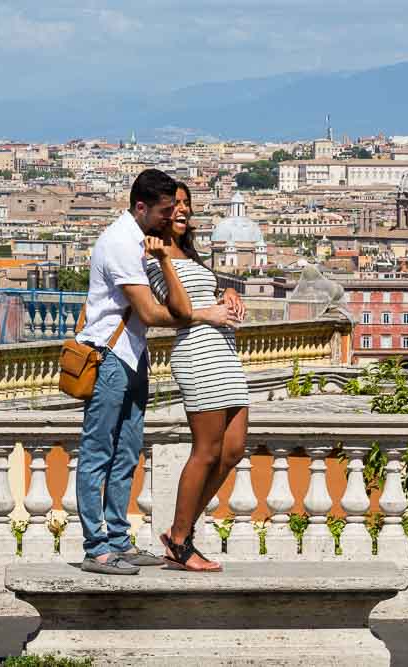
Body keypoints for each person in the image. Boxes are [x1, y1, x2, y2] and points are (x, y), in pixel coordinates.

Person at [76, 169, 235, 575]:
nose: (171, 217)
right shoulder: (119, 244)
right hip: (108, 357)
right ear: (141, 207)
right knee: (98, 452)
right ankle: (96, 548)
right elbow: (149, 312)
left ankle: (117, 539)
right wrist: (204, 316)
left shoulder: (145, 241)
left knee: (126, 452)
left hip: (132, 356)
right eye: (165, 211)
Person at [145, 182, 249, 572]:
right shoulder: (153, 256)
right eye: (175, 204)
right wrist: (167, 262)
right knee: (206, 451)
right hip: (198, 355)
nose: (183, 210)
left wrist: (227, 293)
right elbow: (179, 307)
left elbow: (201, 293)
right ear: (161, 210)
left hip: (224, 352)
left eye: (187, 203)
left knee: (234, 449)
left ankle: (179, 533)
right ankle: (180, 540)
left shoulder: (188, 253)